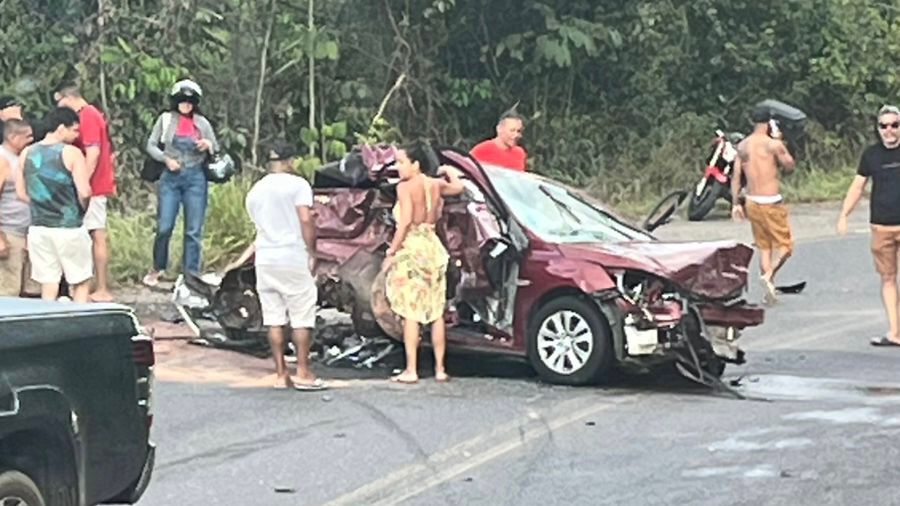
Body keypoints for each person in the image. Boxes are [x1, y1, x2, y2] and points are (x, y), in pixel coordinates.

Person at [229, 141, 326, 390]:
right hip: (292, 257)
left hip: (265, 259)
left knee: (274, 318)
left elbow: (259, 229)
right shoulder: (298, 185)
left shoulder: (256, 190)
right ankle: (303, 372)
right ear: (290, 161)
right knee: (301, 316)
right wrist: (312, 251)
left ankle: (281, 374)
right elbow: (305, 219)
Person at [383, 141, 465, 384]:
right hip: (433, 247)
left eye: (401, 162)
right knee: (436, 311)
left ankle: (411, 369)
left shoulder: (405, 187)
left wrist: (391, 252)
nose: (398, 167)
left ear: (416, 164)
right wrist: (448, 171)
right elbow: (458, 187)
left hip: (413, 248)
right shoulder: (435, 184)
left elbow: (406, 221)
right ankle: (440, 369)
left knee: (411, 311)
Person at [143, 79, 218, 287]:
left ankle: (190, 273)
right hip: (170, 177)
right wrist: (165, 159)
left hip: (196, 177)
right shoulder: (166, 120)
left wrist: (207, 145)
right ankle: (158, 266)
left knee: (193, 230)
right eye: (182, 101)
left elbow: (215, 147)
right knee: (164, 226)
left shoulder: (202, 123)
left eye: (190, 102)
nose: (186, 105)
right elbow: (151, 145)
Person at [837, 105, 900, 346]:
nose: (889, 130)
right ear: (878, 128)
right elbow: (857, 186)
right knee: (888, 278)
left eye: (894, 125)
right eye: (884, 126)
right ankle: (894, 332)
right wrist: (844, 214)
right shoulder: (871, 155)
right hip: (881, 227)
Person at [15, 107, 92, 302]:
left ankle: (48, 316)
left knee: (48, 282)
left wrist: (41, 203)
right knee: (80, 281)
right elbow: (85, 192)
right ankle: (79, 316)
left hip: (39, 227)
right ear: (61, 128)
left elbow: (21, 193)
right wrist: (80, 209)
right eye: (74, 130)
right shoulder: (72, 153)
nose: (77, 135)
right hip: (69, 227)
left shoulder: (27, 153)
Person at [54, 82, 117, 302]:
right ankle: (90, 286)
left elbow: (93, 153)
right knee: (91, 234)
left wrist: (83, 183)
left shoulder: (87, 116)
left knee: (95, 234)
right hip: (94, 184)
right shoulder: (92, 114)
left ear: (67, 97)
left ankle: (100, 288)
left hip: (92, 186)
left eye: (60, 102)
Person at [731, 105, 796, 304]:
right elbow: (790, 165)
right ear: (769, 122)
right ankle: (768, 276)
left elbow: (736, 177)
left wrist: (735, 203)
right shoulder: (772, 144)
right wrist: (779, 141)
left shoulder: (743, 146)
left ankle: (770, 289)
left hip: (752, 200)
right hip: (771, 200)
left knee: (764, 246)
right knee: (786, 246)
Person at [0, 119, 33, 296]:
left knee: (29, 290)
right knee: (8, 290)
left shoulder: (21, 158)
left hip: (26, 232)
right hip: (9, 231)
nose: (31, 140)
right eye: (27, 136)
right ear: (13, 137)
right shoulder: (2, 160)